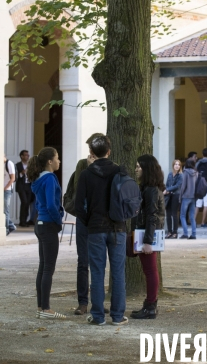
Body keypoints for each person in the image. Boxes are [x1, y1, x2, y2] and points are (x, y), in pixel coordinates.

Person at [75, 134, 127, 326]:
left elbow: (79, 205)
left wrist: (89, 221)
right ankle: (118, 316)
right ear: (109, 151)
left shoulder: (86, 174)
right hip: (117, 227)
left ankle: (98, 316)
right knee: (118, 273)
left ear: (91, 152)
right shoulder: (119, 171)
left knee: (97, 272)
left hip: (95, 228)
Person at [28, 147, 66, 320]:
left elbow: (41, 204)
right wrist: (59, 220)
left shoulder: (39, 179)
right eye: (57, 158)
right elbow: (51, 204)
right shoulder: (50, 178)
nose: (59, 161)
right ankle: (46, 309)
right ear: (50, 162)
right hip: (49, 225)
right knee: (48, 268)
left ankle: (40, 307)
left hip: (40, 224)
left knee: (43, 267)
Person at [131, 154, 165, 320]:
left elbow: (152, 215)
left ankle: (151, 306)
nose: (136, 170)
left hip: (148, 235)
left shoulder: (151, 190)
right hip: (146, 234)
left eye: (139, 167)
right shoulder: (149, 188)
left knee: (150, 270)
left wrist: (147, 242)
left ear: (147, 169)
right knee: (149, 270)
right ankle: (149, 305)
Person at [72, 133, 103, 316]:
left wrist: (95, 169)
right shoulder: (82, 165)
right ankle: (82, 302)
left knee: (98, 262)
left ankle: (97, 301)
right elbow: (79, 191)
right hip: (83, 219)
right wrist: (89, 169)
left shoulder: (108, 166)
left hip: (99, 220)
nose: (90, 150)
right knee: (83, 262)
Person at [179, 158, 197, 239]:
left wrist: (180, 195)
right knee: (192, 217)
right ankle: (193, 234)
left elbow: (183, 186)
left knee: (182, 215)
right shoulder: (196, 173)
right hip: (194, 196)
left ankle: (185, 233)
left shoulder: (185, 172)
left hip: (186, 196)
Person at [164, 159, 183, 238]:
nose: (177, 166)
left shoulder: (181, 175)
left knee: (174, 214)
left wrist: (168, 190)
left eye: (178, 164)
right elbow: (167, 184)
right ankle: (169, 232)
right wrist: (167, 190)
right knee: (168, 214)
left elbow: (177, 186)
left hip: (176, 195)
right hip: (168, 196)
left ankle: (175, 232)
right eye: (175, 164)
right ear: (173, 165)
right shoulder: (169, 174)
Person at [15, 149, 34, 227]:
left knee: (27, 203)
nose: (27, 157)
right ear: (22, 156)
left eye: (28, 155)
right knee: (24, 202)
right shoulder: (17, 165)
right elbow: (15, 177)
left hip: (29, 186)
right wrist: (22, 173)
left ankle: (25, 221)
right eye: (26, 155)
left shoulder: (30, 165)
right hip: (21, 186)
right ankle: (22, 221)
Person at [4, 155, 16, 236]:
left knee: (5, 210)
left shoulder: (9, 163)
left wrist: (5, 188)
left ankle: (7, 229)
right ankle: (11, 226)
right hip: (2, 190)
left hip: (7, 190)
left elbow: (13, 178)